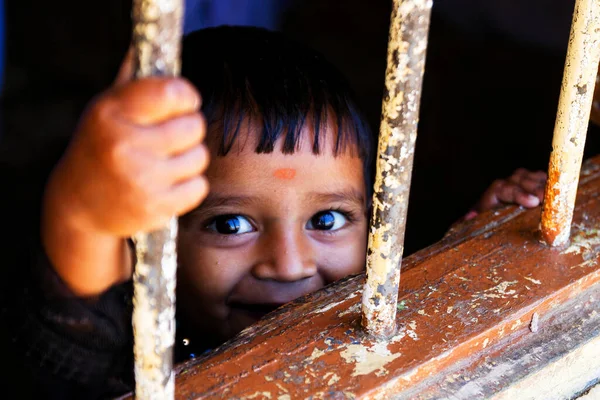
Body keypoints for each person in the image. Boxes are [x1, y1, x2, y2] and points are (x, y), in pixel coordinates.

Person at [1, 26, 546, 399]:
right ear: (146, 239)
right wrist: (81, 214)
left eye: (328, 220)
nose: (288, 265)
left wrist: (479, 241)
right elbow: (68, 340)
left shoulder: (373, 299)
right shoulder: (129, 351)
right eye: (229, 224)